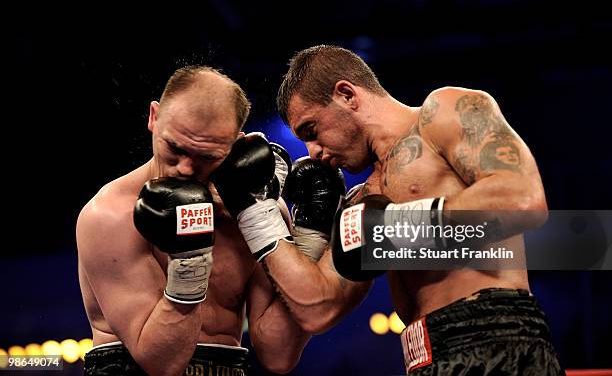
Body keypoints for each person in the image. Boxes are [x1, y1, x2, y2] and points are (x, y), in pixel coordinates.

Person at [243, 45, 562, 374]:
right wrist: (256, 212)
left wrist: (397, 228)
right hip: (422, 358)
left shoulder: (442, 113)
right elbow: (315, 312)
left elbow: (523, 200)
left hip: (496, 341)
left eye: (312, 131)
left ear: (346, 94)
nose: (313, 152)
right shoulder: (361, 201)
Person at [76, 65, 310, 376]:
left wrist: (309, 240)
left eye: (207, 156)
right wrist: (190, 262)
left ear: (235, 146)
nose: (185, 168)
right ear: (153, 118)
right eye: (175, 148)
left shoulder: (255, 214)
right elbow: (161, 364)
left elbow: (278, 356)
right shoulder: (110, 216)